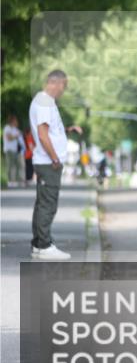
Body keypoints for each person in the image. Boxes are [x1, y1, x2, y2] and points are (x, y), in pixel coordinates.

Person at [29, 70, 72, 260]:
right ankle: (45, 245)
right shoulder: (45, 102)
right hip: (48, 163)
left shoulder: (44, 101)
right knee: (48, 204)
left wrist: (67, 131)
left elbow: (50, 131)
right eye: (64, 86)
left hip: (46, 161)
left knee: (42, 204)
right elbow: (43, 134)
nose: (64, 91)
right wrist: (55, 158)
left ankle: (39, 244)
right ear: (56, 83)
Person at [3, 115, 25, 187]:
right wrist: (17, 135)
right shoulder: (7, 128)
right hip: (9, 150)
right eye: (15, 120)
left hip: (15, 150)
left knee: (15, 165)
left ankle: (15, 181)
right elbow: (9, 138)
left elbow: (20, 138)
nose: (17, 122)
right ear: (12, 121)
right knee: (10, 165)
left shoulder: (15, 129)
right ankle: (10, 181)